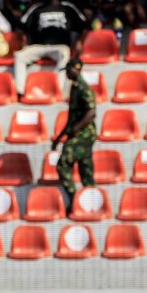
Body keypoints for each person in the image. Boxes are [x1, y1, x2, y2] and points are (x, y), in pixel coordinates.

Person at [15, 0, 85, 88]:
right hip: (38, 46)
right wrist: (24, 38)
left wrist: (79, 41)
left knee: (64, 53)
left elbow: (83, 25)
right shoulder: (36, 8)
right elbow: (21, 26)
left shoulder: (67, 7)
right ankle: (20, 91)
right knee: (19, 56)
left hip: (59, 47)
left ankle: (57, 89)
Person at [53, 57, 97, 214]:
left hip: (84, 134)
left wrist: (76, 130)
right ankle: (90, 204)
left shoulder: (83, 88)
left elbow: (91, 112)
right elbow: (71, 118)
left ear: (75, 69)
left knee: (63, 164)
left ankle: (75, 198)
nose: (66, 75)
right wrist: (59, 138)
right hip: (80, 133)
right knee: (86, 169)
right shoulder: (74, 87)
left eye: (68, 71)